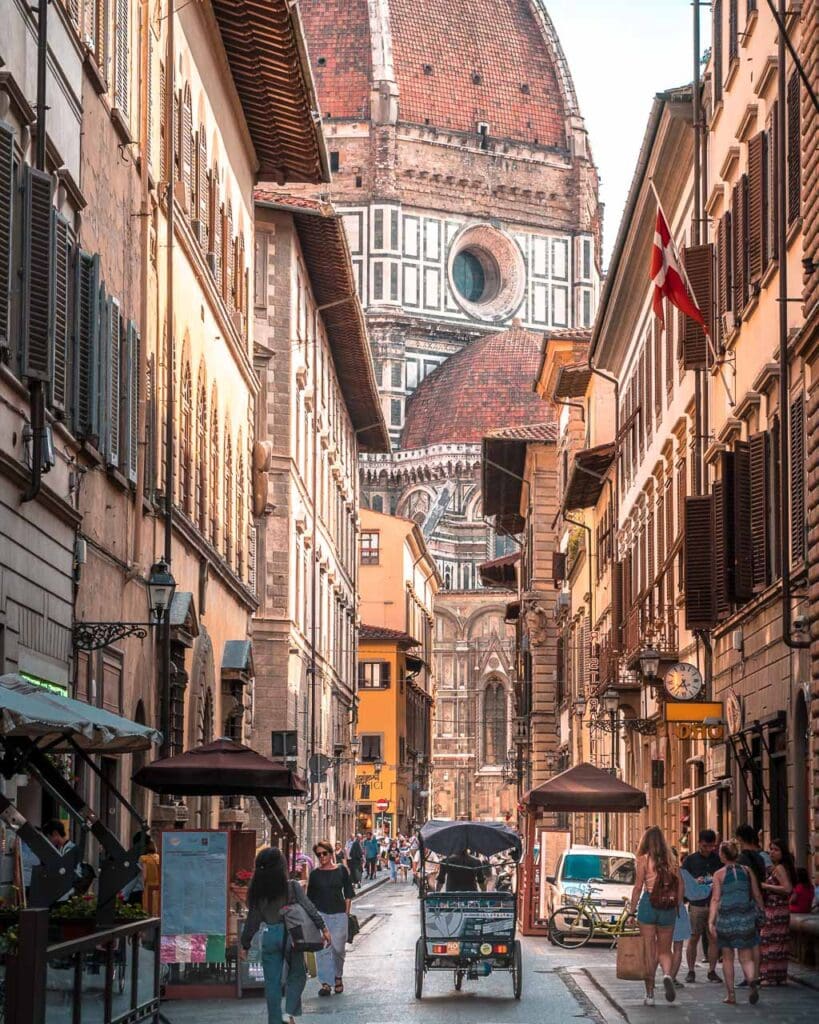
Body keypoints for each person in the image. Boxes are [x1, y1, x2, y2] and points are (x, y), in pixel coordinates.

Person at [240, 847, 330, 1024]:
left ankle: (275, 1020)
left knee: (272, 983)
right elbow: (309, 907)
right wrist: (323, 928)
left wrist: (245, 944)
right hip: (291, 935)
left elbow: (253, 920)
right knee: (298, 974)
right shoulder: (291, 886)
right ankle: (289, 1013)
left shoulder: (257, 891)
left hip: (269, 935)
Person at [627, 825, 683, 1006]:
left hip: (648, 905)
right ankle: (667, 975)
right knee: (665, 950)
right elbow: (680, 885)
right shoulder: (672, 859)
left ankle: (650, 995)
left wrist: (631, 911)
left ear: (645, 841)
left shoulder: (643, 860)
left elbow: (638, 887)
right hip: (668, 908)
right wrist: (677, 906)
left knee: (649, 952)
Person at [708, 840, 765, 1005]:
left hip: (726, 917)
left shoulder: (719, 874)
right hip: (745, 916)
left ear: (723, 855)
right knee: (746, 956)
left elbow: (715, 898)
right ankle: (752, 980)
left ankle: (731, 995)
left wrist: (711, 921)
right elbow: (756, 894)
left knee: (727, 957)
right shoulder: (747, 871)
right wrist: (762, 911)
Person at [307, 840, 355, 997]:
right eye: (318, 855)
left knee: (338, 949)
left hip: (339, 914)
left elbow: (348, 892)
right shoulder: (314, 874)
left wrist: (346, 913)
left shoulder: (341, 870)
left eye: (324, 853)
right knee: (323, 950)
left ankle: (338, 975)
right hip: (321, 914)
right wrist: (313, 918)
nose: (322, 857)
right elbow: (310, 898)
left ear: (330, 853)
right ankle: (326, 983)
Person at [682, 828, 721, 983]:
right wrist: (694, 881)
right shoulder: (690, 860)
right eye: (705, 846)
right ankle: (691, 970)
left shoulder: (717, 859)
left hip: (713, 903)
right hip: (696, 904)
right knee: (694, 937)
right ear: (699, 843)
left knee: (713, 938)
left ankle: (712, 970)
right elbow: (683, 881)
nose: (708, 849)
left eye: (711, 846)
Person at [759, 837, 795, 985]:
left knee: (771, 941)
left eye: (776, 849)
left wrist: (765, 886)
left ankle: (770, 976)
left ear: (782, 852)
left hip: (776, 909)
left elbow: (787, 888)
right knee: (777, 941)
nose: (772, 852)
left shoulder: (779, 868)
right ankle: (777, 976)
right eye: (771, 849)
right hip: (778, 908)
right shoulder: (779, 867)